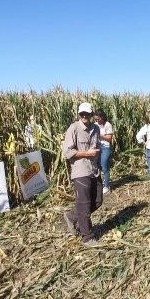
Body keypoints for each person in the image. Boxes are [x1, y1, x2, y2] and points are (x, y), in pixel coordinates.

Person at [63, 102, 103, 247]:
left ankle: (72, 216)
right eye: (82, 114)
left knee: (98, 201)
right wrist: (86, 153)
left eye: (87, 114)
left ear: (92, 115)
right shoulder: (74, 128)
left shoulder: (96, 129)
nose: (84, 116)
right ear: (79, 115)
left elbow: (98, 148)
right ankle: (87, 237)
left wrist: (100, 165)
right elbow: (67, 152)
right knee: (84, 206)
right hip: (80, 171)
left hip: (94, 169)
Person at [94, 109, 113, 194]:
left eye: (98, 119)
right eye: (96, 119)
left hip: (105, 148)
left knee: (105, 167)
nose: (97, 121)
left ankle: (107, 186)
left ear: (102, 117)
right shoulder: (95, 125)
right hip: (97, 148)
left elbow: (109, 138)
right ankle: (99, 184)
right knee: (98, 167)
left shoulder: (108, 125)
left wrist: (101, 135)